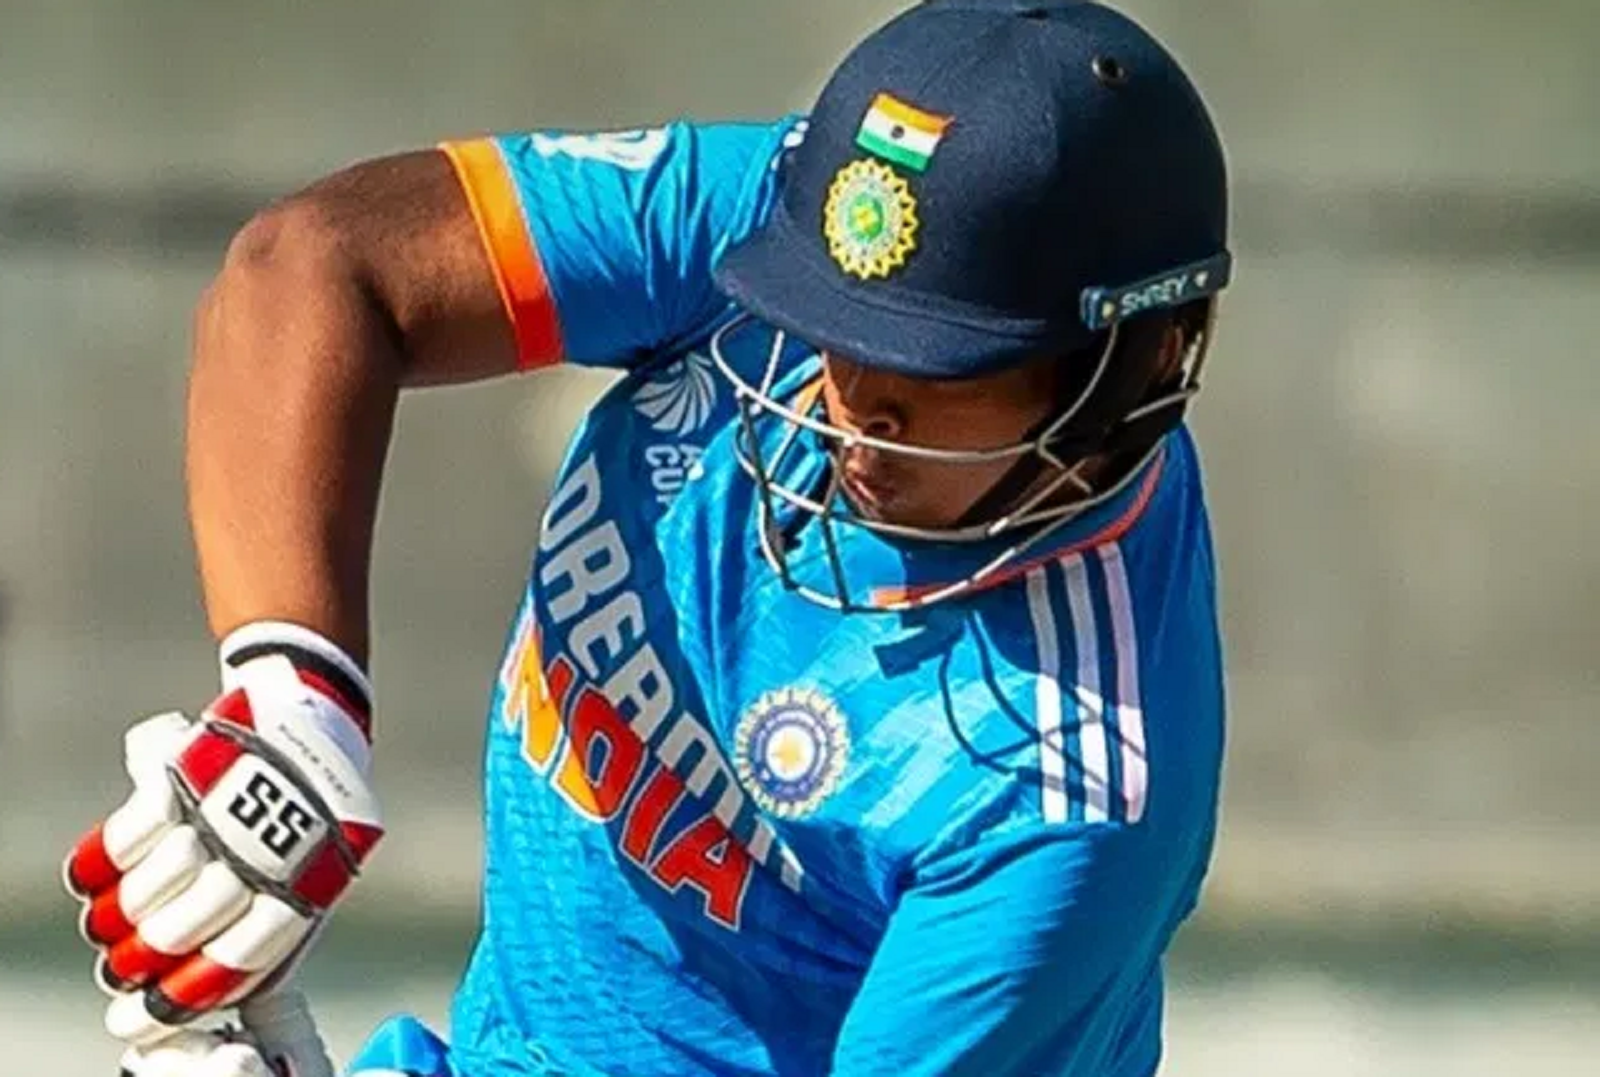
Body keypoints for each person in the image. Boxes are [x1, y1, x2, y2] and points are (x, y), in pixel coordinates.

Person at [64, 1, 1233, 1074]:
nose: (851, 402)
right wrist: (293, 696)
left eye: (943, 369)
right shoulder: (796, 224)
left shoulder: (1063, 788)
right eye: (837, 330)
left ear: (1142, 362)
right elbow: (315, 266)